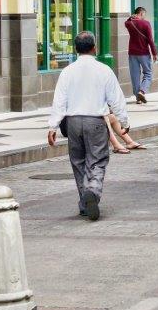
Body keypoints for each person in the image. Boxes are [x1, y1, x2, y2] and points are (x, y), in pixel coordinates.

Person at [48, 31, 128, 221]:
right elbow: (116, 99)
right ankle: (92, 190)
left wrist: (52, 126)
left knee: (78, 162)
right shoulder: (104, 70)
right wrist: (124, 121)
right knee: (97, 160)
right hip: (96, 121)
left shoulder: (67, 71)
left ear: (76, 49)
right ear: (94, 48)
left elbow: (59, 100)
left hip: (73, 122)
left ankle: (84, 203)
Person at [125, 7, 158, 104]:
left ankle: (137, 97)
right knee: (148, 74)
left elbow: (126, 23)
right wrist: (154, 53)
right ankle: (142, 91)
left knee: (135, 75)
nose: (144, 16)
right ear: (141, 13)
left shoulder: (129, 23)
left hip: (132, 53)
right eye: (144, 14)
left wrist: (130, 18)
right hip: (143, 53)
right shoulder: (146, 23)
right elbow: (150, 40)